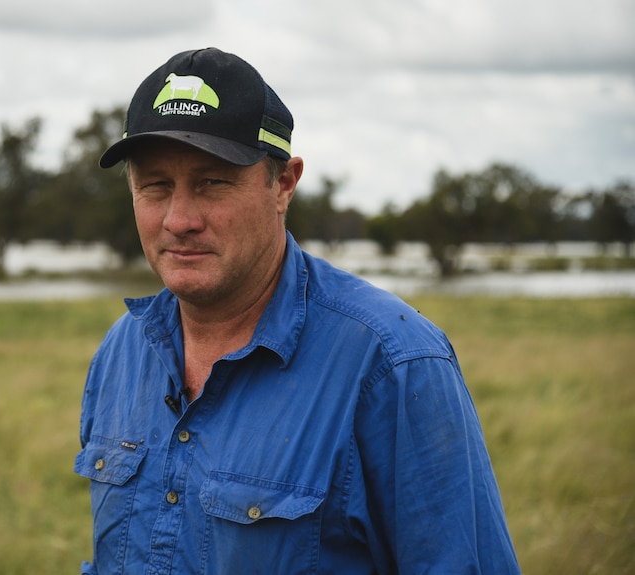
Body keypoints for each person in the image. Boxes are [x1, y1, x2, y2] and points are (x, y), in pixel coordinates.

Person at [75, 47, 520, 574]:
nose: (179, 219)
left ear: (283, 183)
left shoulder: (393, 365)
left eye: (212, 181)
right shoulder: (122, 351)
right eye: (156, 185)